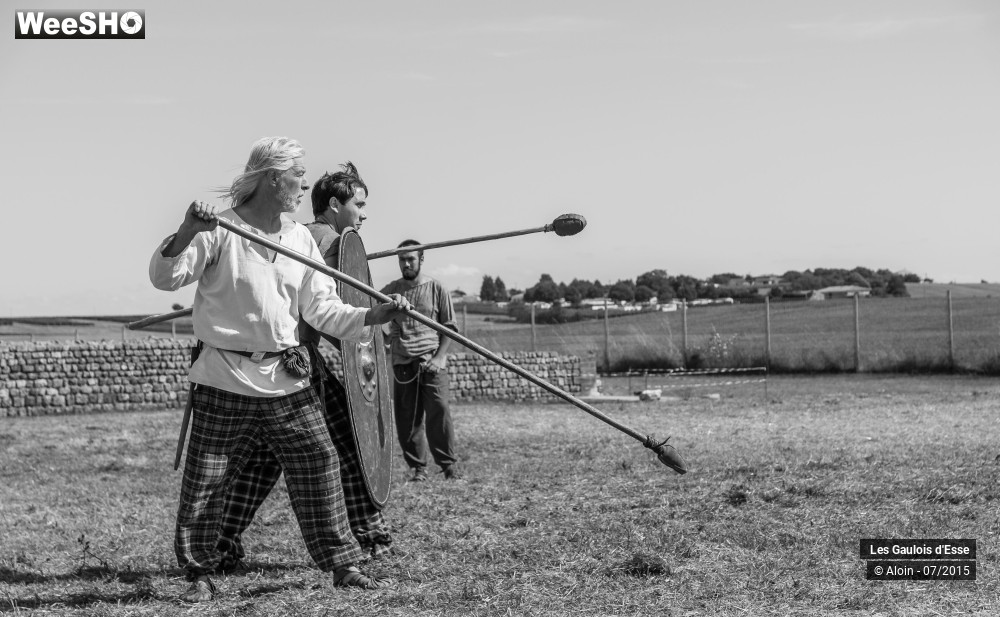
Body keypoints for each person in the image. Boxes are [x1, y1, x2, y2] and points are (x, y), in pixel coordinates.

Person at [149, 137, 410, 602]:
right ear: (273, 177)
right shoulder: (220, 230)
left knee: (321, 463)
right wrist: (188, 229)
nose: (304, 183)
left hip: (288, 377)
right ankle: (199, 571)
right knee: (207, 477)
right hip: (224, 377)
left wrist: (373, 316)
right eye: (298, 175)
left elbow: (324, 309)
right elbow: (165, 276)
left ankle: (342, 562)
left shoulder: (299, 238)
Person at [216, 161, 395, 570]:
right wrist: (368, 329)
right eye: (359, 204)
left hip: (279, 361)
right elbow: (330, 311)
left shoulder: (302, 235)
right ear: (334, 205)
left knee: (265, 459)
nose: (364, 213)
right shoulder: (326, 240)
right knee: (347, 446)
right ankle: (370, 536)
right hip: (296, 360)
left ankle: (224, 538)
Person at [380, 240, 460, 482]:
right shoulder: (390, 290)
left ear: (421, 259)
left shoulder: (436, 288)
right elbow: (372, 317)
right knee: (407, 418)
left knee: (440, 411)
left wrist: (440, 357)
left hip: (431, 361)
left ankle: (448, 466)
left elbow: (450, 327)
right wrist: (385, 335)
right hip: (403, 363)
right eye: (402, 259)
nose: (406, 263)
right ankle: (418, 468)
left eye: (410, 258)